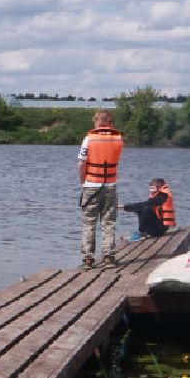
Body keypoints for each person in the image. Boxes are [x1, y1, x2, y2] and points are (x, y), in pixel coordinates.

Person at [77, 109, 122, 268]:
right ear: (111, 123)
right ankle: (109, 257)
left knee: (89, 222)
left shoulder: (89, 139)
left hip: (91, 185)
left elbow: (81, 163)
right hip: (110, 185)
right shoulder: (118, 138)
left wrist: (83, 182)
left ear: (97, 121)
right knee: (108, 222)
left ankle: (88, 259)